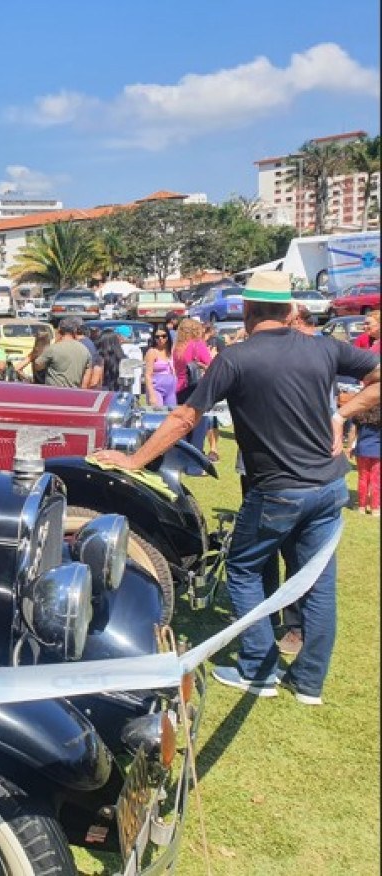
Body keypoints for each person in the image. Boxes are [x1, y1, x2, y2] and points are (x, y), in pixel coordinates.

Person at [94, 270, 380, 706]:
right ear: (288, 310)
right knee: (318, 583)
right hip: (329, 486)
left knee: (244, 570)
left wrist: (133, 459)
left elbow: (184, 418)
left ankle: (258, 670)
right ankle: (308, 684)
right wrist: (345, 414)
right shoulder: (322, 347)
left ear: (246, 310)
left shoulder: (236, 358)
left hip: (278, 490)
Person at [173, 317, 214, 455]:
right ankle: (194, 464)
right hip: (195, 387)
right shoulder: (197, 344)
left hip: (179, 388)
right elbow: (210, 365)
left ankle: (182, 457)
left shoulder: (177, 348)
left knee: (182, 425)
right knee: (198, 425)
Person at [35, 317, 91, 388]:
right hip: (75, 394)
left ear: (59, 330)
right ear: (75, 331)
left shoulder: (53, 349)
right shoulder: (85, 350)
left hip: (54, 393)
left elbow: (37, 365)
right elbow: (86, 380)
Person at [350, 398, 380, 515]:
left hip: (362, 450)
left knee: (363, 479)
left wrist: (350, 447)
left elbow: (353, 432)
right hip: (377, 451)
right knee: (376, 480)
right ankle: (375, 508)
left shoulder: (360, 414)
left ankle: (362, 507)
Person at [143, 328, 177, 407]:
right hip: (156, 388)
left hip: (171, 389)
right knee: (158, 414)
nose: (160, 339)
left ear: (168, 337)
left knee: (171, 414)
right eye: (157, 337)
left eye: (163, 336)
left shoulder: (171, 351)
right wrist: (151, 394)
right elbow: (148, 375)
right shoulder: (152, 352)